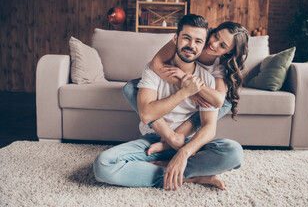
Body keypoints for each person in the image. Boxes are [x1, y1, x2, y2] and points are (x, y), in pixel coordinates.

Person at [93, 14, 243, 191]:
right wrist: (185, 91)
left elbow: (210, 123)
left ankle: (172, 168)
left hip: (189, 143)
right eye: (186, 38)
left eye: (197, 41)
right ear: (175, 38)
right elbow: (147, 114)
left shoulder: (209, 79)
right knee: (103, 164)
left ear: (202, 45)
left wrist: (184, 151)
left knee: (234, 152)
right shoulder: (155, 68)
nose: (191, 45)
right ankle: (193, 176)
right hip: (154, 139)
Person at [122, 21, 249, 155]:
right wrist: (187, 90)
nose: (214, 43)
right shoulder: (194, 39)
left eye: (222, 45)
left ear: (228, 52)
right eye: (216, 36)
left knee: (226, 103)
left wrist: (187, 79)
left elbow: (218, 100)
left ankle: (168, 143)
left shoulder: (218, 67)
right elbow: (156, 64)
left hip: (195, 89)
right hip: (172, 80)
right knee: (129, 88)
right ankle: (171, 139)